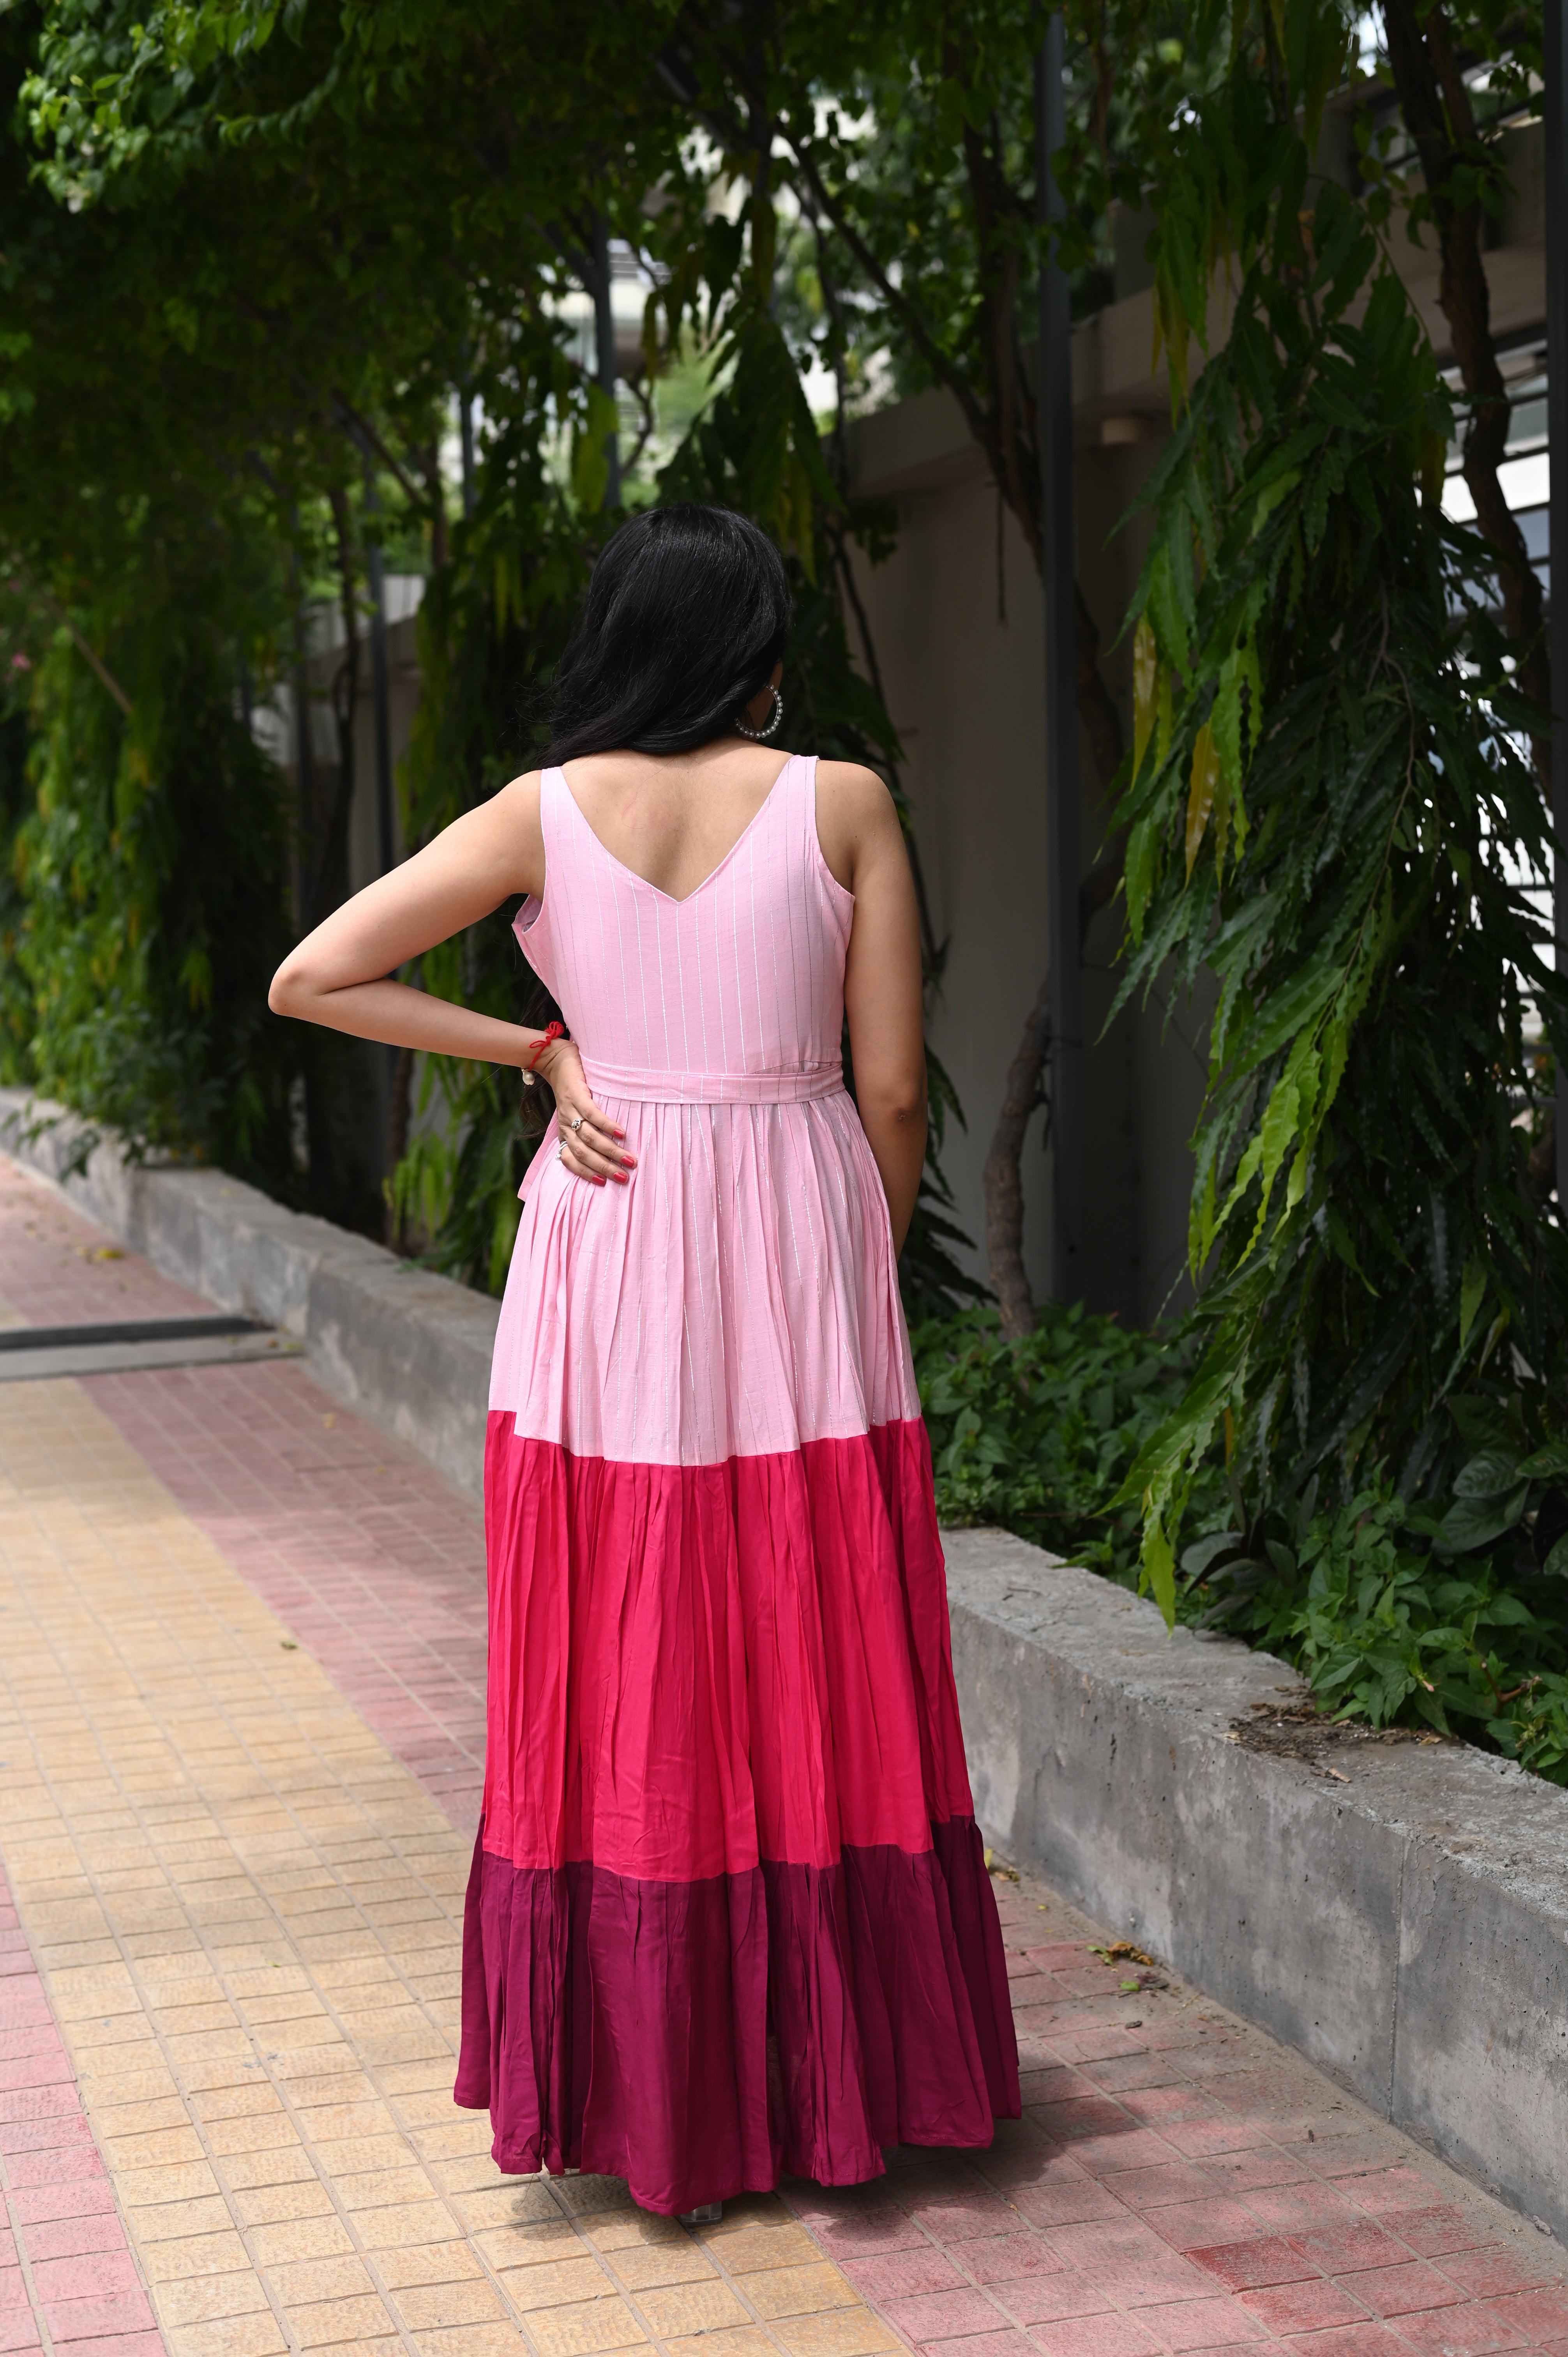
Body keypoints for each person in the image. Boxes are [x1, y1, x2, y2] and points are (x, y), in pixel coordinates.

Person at [269, 502, 1020, 2222]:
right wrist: (854, 1252)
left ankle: (645, 2078)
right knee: (820, 1646)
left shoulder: (540, 812)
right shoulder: (841, 802)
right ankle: (840, 2077)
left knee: (622, 1648)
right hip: (796, 1256)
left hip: (603, 1266)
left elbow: (317, 975)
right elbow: (896, 1087)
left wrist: (536, 1046)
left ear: (622, 642)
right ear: (757, 652)